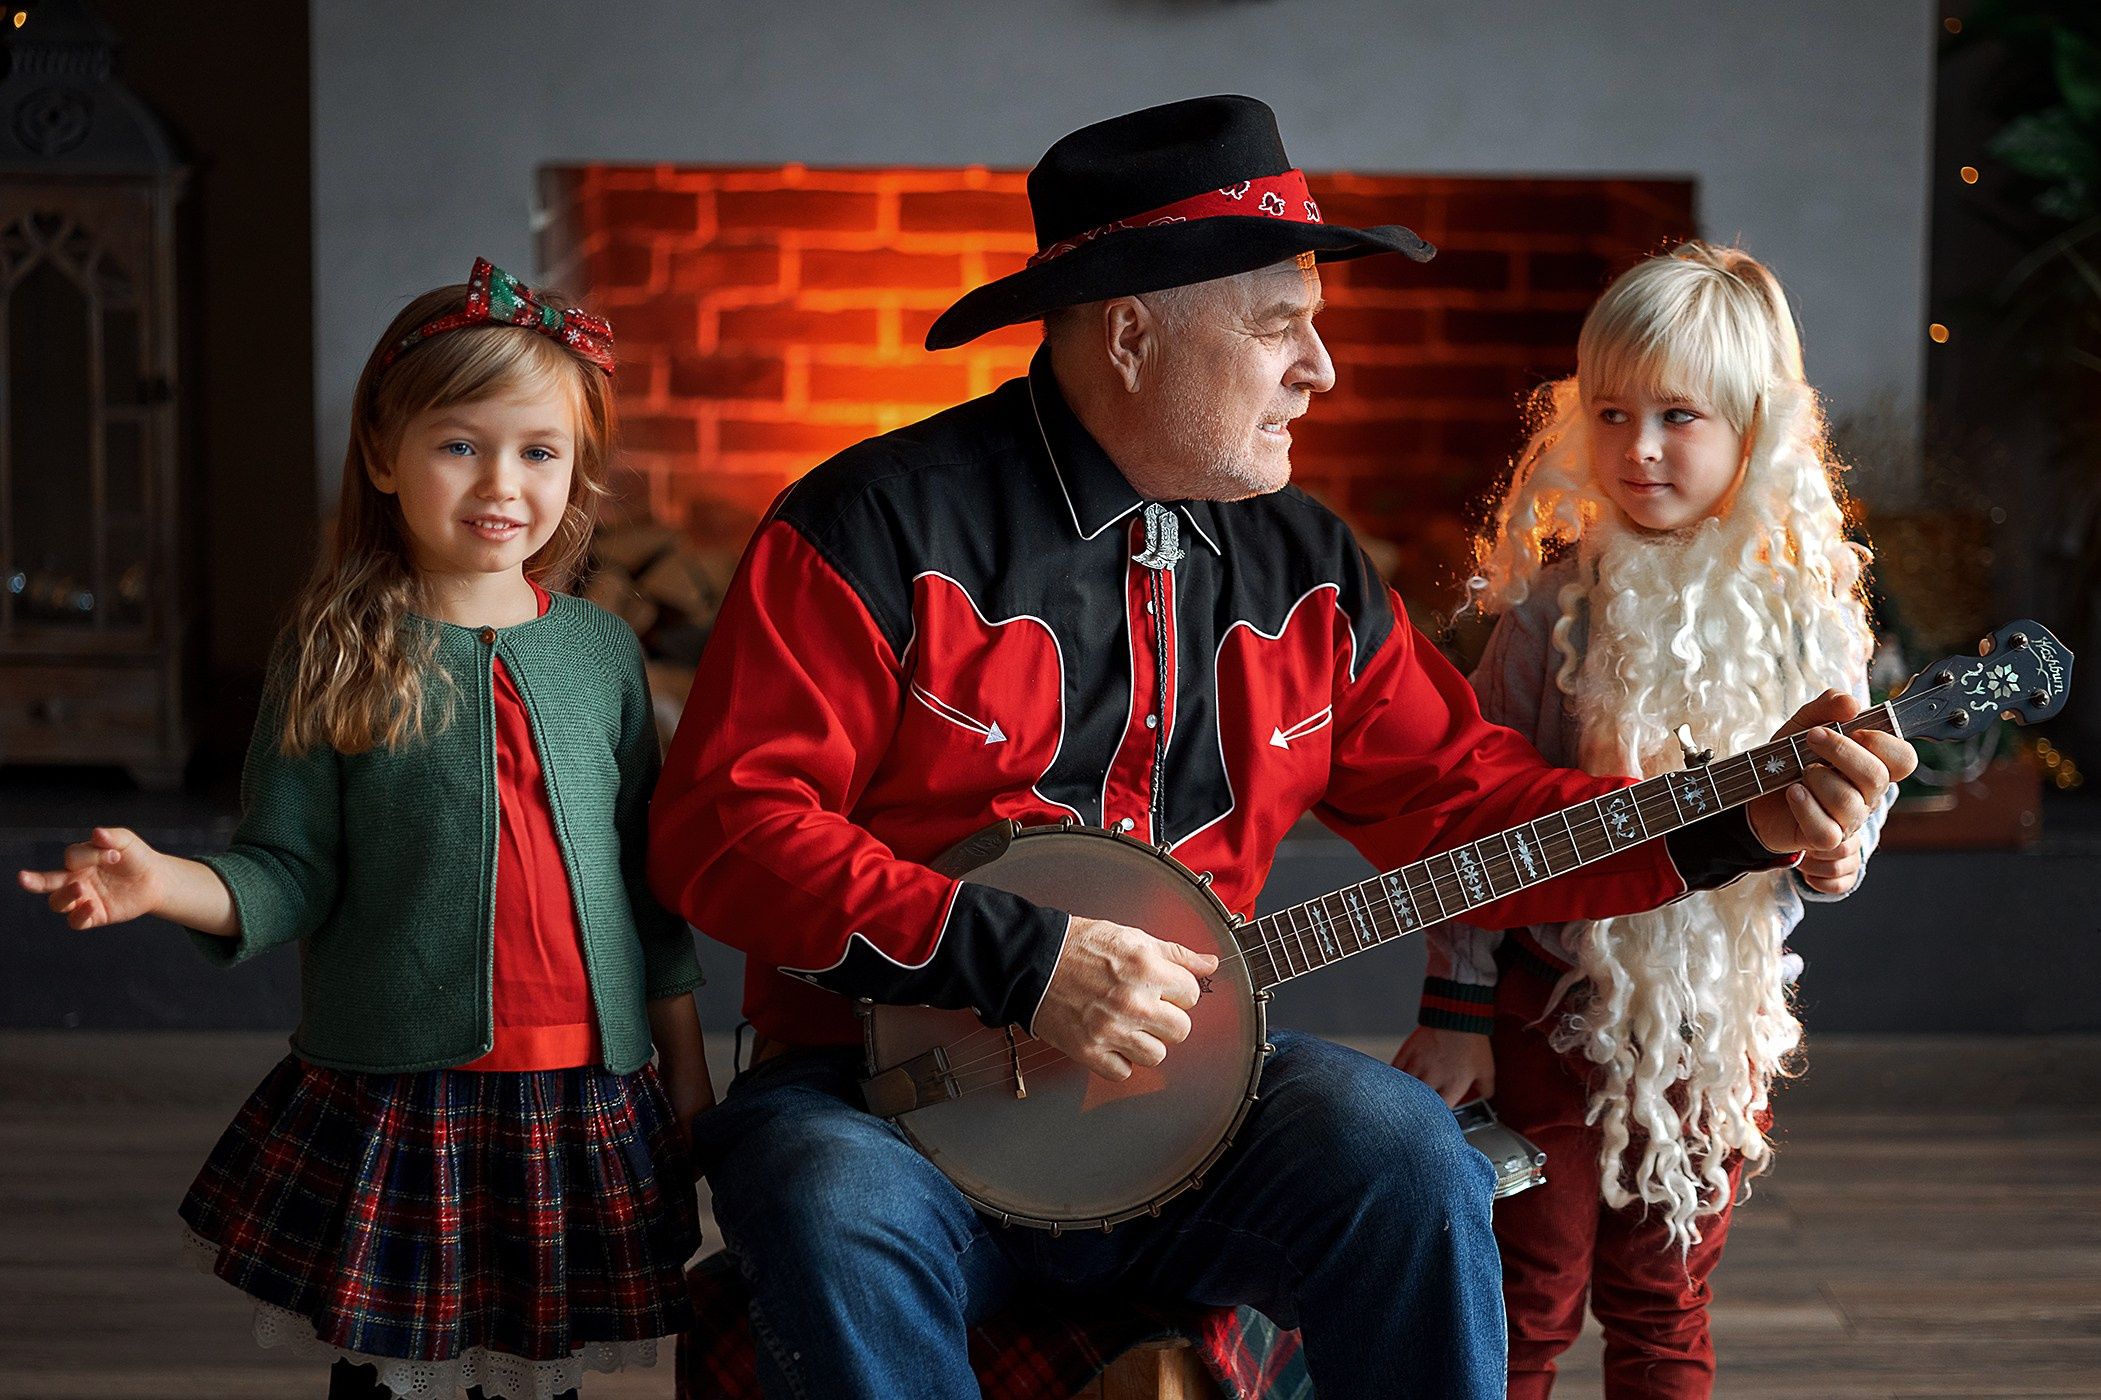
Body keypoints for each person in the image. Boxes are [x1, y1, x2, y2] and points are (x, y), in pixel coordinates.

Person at [647, 97, 1914, 1400]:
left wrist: (1736, 825)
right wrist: (1019, 958)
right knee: (821, 1195)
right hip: (884, 1095)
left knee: (1406, 1151)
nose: (1320, 369)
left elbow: (1469, 804)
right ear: (1133, 333)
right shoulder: (872, 527)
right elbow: (726, 831)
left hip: (1199, 1107)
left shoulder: (1308, 567)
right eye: (1279, 325)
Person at [18, 260, 712, 1400]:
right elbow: (289, 869)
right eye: (459, 444)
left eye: (537, 450)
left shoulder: (601, 652)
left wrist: (685, 1077)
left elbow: (651, 891)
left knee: (544, 1372)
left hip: (585, 1090)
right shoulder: (337, 647)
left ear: (577, 466)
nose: (501, 480)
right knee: (396, 1376)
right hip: (408, 1090)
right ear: (386, 455)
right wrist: (165, 881)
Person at [1395, 243, 1889, 1399]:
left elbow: (1837, 860)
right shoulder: (1553, 606)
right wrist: (1456, 1012)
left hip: (1711, 1027)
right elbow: (1474, 831)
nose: (1640, 447)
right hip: (1546, 1010)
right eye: (1611, 413)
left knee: (1664, 1301)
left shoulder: (1810, 620)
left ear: (1753, 431)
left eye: (1678, 414)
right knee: (1525, 1294)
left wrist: (1829, 841)